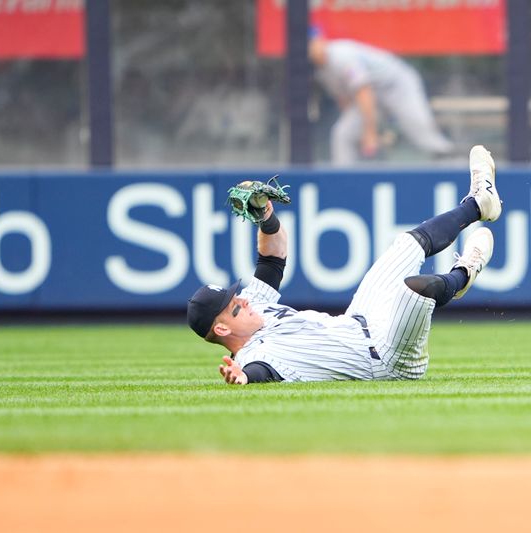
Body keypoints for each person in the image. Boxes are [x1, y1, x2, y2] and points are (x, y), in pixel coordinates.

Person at [186, 145, 501, 385]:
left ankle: (477, 203)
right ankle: (464, 273)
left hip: (362, 318)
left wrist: (265, 217)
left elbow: (272, 257)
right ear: (223, 327)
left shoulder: (255, 306)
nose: (241, 299)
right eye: (233, 307)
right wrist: (241, 379)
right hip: (386, 359)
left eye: (235, 296)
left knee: (406, 244)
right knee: (415, 290)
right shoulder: (257, 356)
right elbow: (258, 374)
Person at [308, 30, 455, 165]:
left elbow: (364, 92)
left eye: (312, 43)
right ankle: (341, 181)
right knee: (343, 134)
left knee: (420, 129)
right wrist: (359, 127)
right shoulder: (321, 71)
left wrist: (369, 132)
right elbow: (345, 100)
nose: (310, 49)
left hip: (397, 85)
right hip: (372, 99)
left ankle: (453, 163)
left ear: (321, 40)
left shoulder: (340, 56)